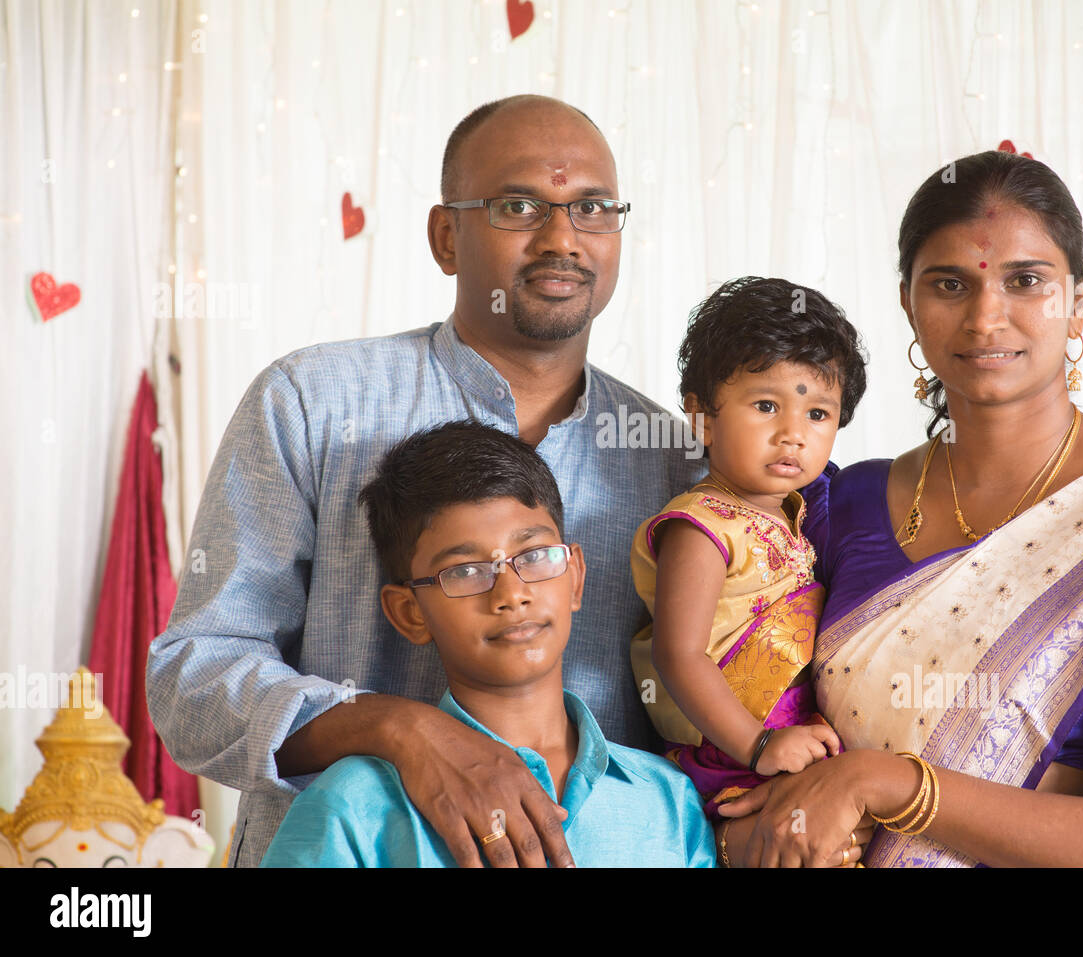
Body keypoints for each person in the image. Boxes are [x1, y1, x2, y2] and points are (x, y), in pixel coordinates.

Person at [146, 94, 705, 868]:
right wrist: (400, 728)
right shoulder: (313, 403)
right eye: (518, 205)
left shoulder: (674, 463)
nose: (561, 238)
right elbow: (191, 682)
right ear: (447, 236)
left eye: (592, 207)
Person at [717, 148, 1083, 868]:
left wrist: (883, 780)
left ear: (1079, 300)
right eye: (950, 284)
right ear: (908, 301)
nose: (986, 317)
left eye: (1027, 281)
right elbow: (746, 708)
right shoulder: (842, 503)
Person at [260, 423, 715, 867]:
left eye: (535, 556)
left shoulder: (667, 798)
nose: (511, 594)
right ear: (409, 612)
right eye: (464, 571)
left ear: (574, 576)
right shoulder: (353, 806)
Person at [628, 277, 866, 817]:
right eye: (765, 405)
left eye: (817, 414)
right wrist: (757, 745)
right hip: (732, 750)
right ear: (702, 417)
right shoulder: (699, 526)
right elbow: (678, 654)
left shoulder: (799, 513)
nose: (793, 434)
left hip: (796, 740)